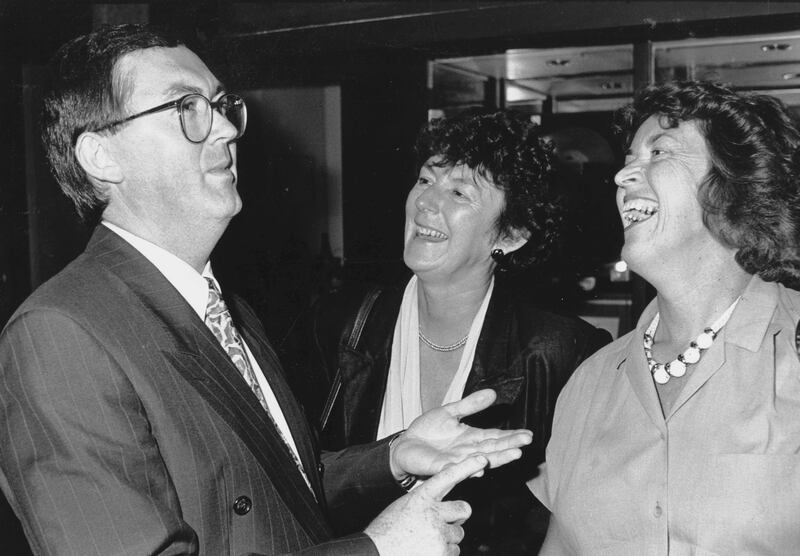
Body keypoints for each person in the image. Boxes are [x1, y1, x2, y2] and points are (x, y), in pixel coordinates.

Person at [0, 24, 534, 556]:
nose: (225, 129)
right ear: (101, 156)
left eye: (220, 105)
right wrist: (375, 549)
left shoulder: (225, 308)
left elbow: (274, 488)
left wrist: (394, 456)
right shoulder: (60, 334)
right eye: (186, 107)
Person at [288, 110, 611, 554]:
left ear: (511, 235)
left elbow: (575, 522)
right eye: (425, 180)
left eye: (458, 192)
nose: (425, 201)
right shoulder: (335, 324)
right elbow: (282, 475)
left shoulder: (564, 353)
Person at [529, 80, 800, 553]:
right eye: (628, 158)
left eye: (659, 152)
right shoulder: (590, 382)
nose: (622, 176)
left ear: (734, 187)